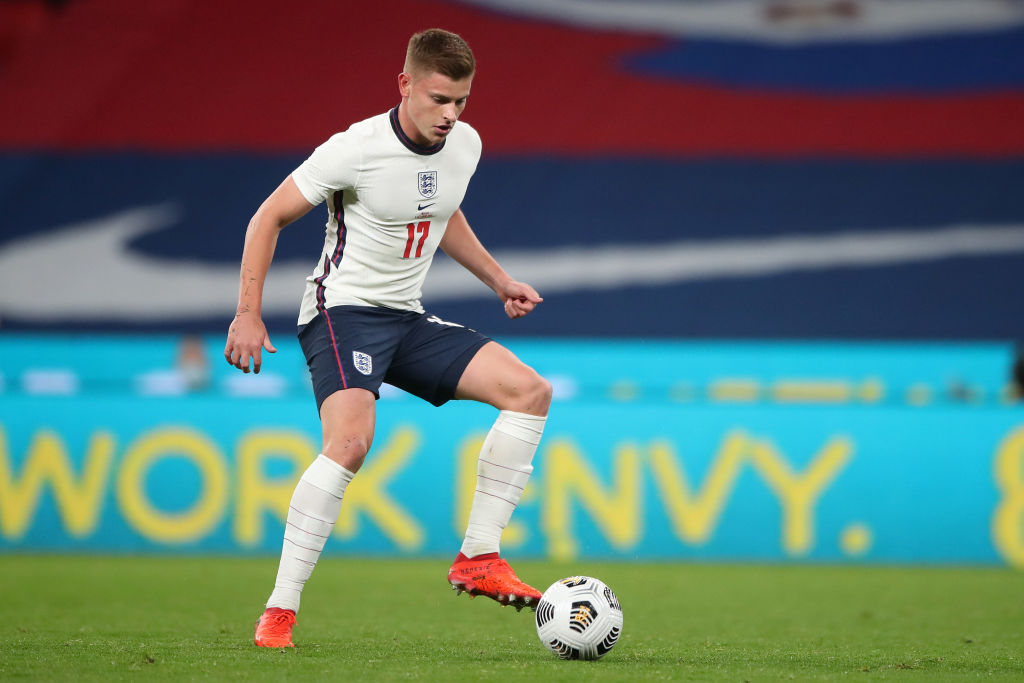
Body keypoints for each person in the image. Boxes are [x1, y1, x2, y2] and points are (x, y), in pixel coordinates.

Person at [224, 28, 552, 649]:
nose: (451, 115)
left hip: (407, 318)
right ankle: (280, 611)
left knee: (530, 392)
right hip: (342, 311)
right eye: (438, 99)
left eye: (461, 101)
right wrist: (247, 314)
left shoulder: (465, 146)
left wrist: (499, 281)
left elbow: (441, 213)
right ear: (405, 85)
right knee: (350, 444)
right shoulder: (354, 149)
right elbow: (267, 217)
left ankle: (479, 558)